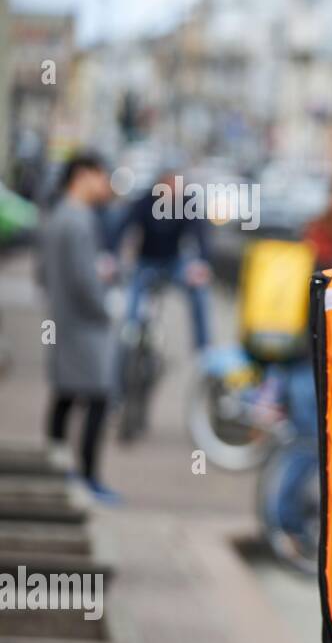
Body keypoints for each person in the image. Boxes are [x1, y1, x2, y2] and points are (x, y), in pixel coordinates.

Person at [36, 151, 122, 505]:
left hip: (63, 320)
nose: (105, 185)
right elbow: (86, 281)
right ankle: (87, 477)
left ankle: (55, 470)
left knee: (65, 397)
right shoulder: (78, 219)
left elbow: (42, 273)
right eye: (102, 176)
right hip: (85, 327)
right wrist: (105, 308)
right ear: (83, 175)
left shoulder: (56, 216)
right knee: (98, 398)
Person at [108, 169, 213, 353]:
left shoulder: (186, 203)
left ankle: (203, 348)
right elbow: (121, 227)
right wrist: (111, 256)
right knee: (133, 297)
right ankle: (128, 341)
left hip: (174, 262)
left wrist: (202, 263)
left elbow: (201, 232)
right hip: (146, 261)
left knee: (199, 291)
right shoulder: (144, 202)